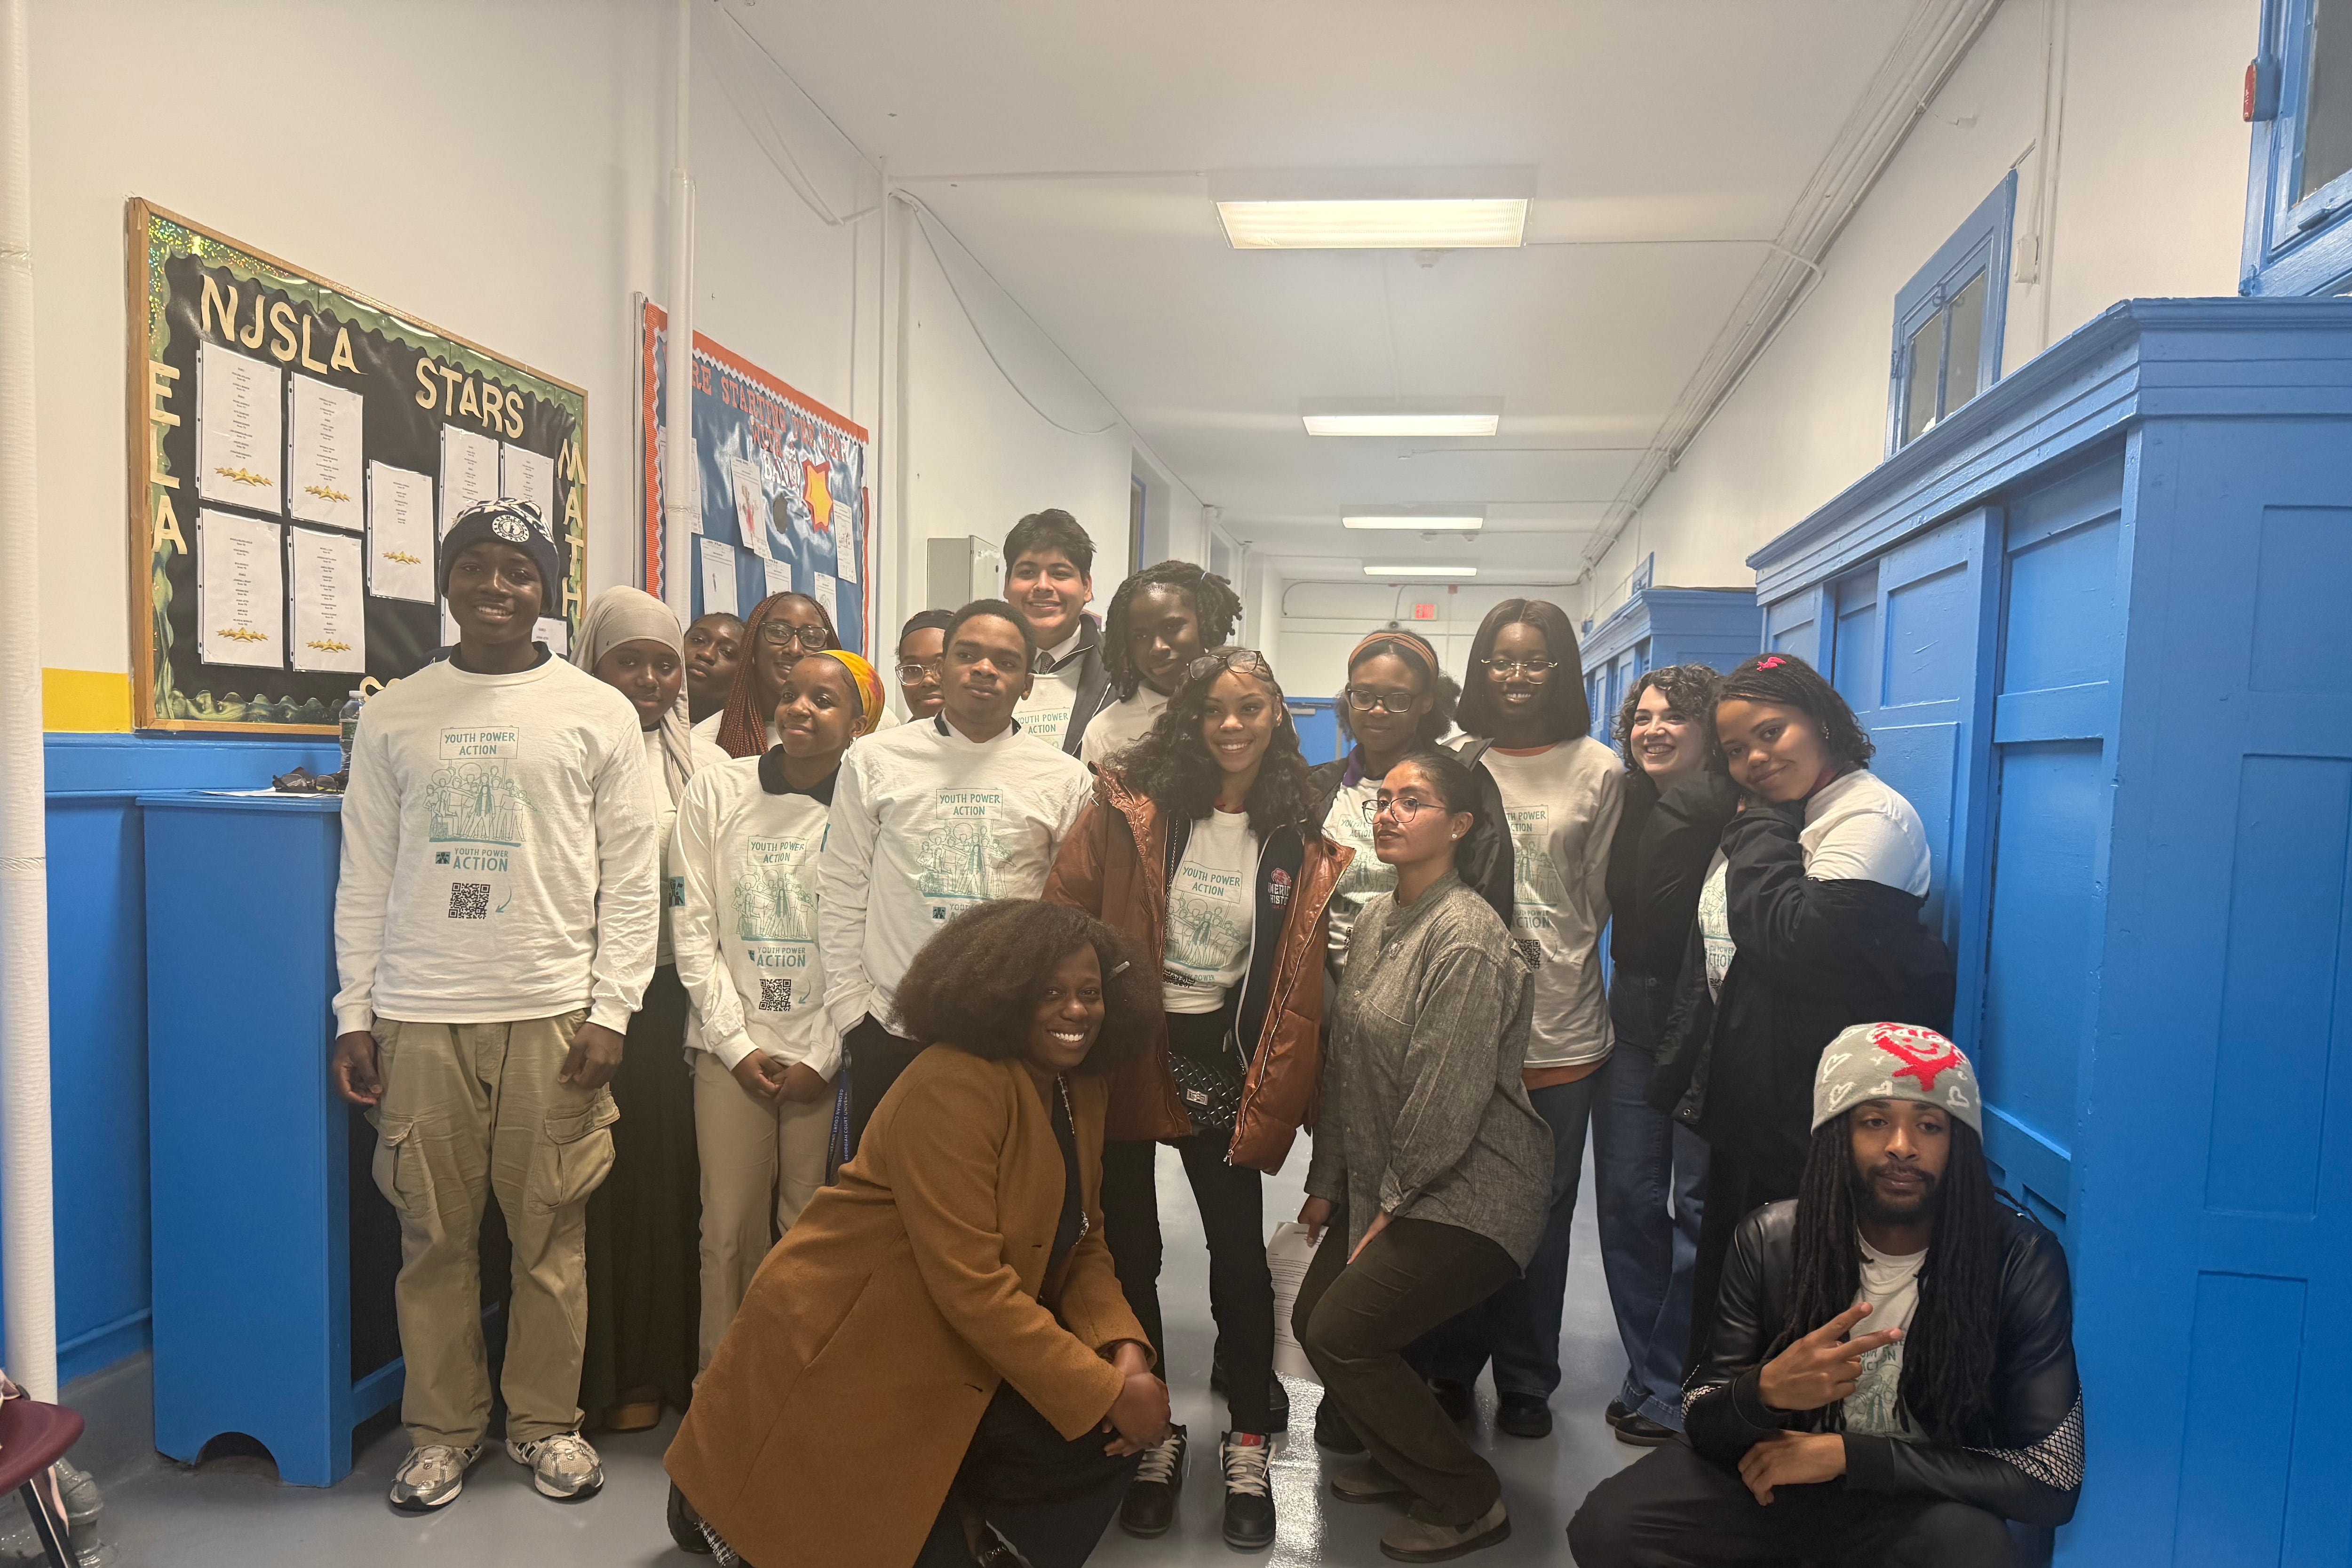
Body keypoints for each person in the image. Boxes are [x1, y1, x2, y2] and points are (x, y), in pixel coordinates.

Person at [666, 900, 1172, 1568]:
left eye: (1089, 993)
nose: (1075, 1011)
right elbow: (973, 1287)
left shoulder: (1080, 1089)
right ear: (1005, 995)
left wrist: (1125, 1351)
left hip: (957, 1339)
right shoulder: (953, 1083)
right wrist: (1107, 1391)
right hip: (854, 1340)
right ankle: (710, 1503)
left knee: (1104, 1439)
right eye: (1050, 993)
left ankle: (971, 1531)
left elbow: (1084, 1240)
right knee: (1099, 1413)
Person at [330, 499, 658, 1512]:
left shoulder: (596, 709)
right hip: (421, 1008)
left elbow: (632, 873)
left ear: (547, 591)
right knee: (432, 1236)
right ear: (447, 580)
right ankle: (441, 1432)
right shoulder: (395, 712)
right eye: (474, 566)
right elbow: (366, 870)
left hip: (551, 1006)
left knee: (550, 1231)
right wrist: (355, 1009)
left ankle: (545, 1425)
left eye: (518, 570)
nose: (496, 587)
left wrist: (614, 1008)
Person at [1568, 1026, 2082, 1567]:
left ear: (1957, 1145)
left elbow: (2051, 1475)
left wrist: (1848, 1456)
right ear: (1838, 1135)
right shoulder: (1770, 1239)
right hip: (1776, 1478)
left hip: (1913, 1498)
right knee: (1611, 1527)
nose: (1901, 1146)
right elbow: (1701, 1414)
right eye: (1875, 1121)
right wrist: (1762, 1392)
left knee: (1975, 1552)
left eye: (1928, 1125)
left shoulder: (2018, 1260)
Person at [1044, 645, 1348, 1549]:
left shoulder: (1296, 823)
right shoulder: (1132, 807)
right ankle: (1152, 1434)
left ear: (1276, 717)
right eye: (1214, 708)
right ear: (1190, 718)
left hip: (1226, 1055)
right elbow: (1066, 907)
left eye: (1250, 707)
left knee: (1237, 1254)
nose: (1231, 724)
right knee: (1128, 1243)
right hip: (1128, 1045)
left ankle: (1246, 1435)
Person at [1651, 652, 1956, 1363]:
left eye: (1771, 732)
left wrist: (1756, 825)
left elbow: (1790, 938)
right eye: (1735, 750)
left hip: (1815, 1115)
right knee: (1738, 1289)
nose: (1755, 758)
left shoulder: (1870, 817)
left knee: (1797, 1293)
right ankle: (1720, 1426)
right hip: (1760, 1101)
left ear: (1821, 722)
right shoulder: (1801, 812)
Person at [1293, 749, 1550, 1564]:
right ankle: (1404, 1462)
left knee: (1343, 1331)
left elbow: (1448, 1098)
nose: (1389, 813)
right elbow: (1345, 1068)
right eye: (1384, 800)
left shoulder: (1467, 937)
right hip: (1396, 1179)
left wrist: (1391, 1209)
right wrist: (1329, 1185)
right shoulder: (1375, 921)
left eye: (1415, 801)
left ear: (1462, 825)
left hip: (1472, 1190)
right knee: (1312, 1320)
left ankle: (1466, 1497)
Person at [1423, 598, 1621, 1440]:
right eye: (1500, 658)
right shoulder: (1454, 762)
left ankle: (1529, 1376)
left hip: (1562, 1028)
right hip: (1460, 1023)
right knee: (1457, 1207)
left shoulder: (1600, 769)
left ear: (1562, 670)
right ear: (1478, 669)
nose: (1515, 674)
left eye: (1535, 659)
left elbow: (1601, 899)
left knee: (1542, 1212)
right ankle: (1448, 1366)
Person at [671, 648, 884, 1373]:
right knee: (725, 1230)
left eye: (825, 701)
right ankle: (721, 1390)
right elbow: (693, 927)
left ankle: (792, 1387)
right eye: (791, 694)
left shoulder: (869, 804)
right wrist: (733, 1044)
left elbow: (865, 938)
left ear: (860, 723)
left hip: (824, 1051)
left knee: (807, 1228)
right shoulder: (717, 788)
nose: (800, 709)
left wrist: (825, 1055)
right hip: (730, 1048)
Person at [819, 599, 1092, 1154]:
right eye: (966, 655)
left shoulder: (1063, 779)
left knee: (1000, 1195)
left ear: (1026, 685)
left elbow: (1068, 915)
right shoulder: (873, 760)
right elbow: (842, 886)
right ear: (941, 670)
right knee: (885, 1204)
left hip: (1009, 1033)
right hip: (890, 1029)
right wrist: (853, 1014)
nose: (983, 670)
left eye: (1005, 661)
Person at [1592, 665, 1738, 1447]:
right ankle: (1654, 1366)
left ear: (1710, 726)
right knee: (1626, 1195)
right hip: (1634, 1007)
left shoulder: (1736, 804)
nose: (1653, 728)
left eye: (1674, 716)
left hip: (1709, 1019)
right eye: (1642, 716)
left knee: (1699, 1207)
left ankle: (1674, 1381)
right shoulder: (1629, 799)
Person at [572, 587, 702, 1435]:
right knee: (591, 1191)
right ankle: (598, 1378)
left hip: (669, 1000)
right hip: (581, 1000)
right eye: (630, 660)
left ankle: (662, 1365)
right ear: (595, 662)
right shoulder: (570, 748)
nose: (649, 679)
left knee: (665, 1184)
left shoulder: (698, 762)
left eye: (665, 663)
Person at [1078, 560, 1240, 770]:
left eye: (1172, 627)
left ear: (1203, 623)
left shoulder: (1247, 703)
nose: (1157, 647)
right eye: (1140, 636)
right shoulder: (1106, 730)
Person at [1004, 509, 1112, 755]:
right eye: (1027, 573)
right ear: (1007, 585)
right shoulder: (978, 667)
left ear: (1086, 587)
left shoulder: (1121, 670)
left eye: (1060, 574)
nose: (1043, 586)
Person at [693, 591, 841, 762]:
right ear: (753, 647)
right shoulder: (707, 743)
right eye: (778, 633)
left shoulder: (858, 737)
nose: (794, 649)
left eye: (811, 637)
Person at [683, 611, 746, 724]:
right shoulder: (641, 720)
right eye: (698, 640)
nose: (707, 654)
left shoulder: (748, 739)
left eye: (726, 652)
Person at [894, 608, 955, 723]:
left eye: (942, 667)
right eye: (913, 670)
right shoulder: (883, 741)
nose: (928, 681)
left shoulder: (997, 740)